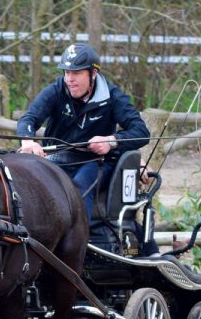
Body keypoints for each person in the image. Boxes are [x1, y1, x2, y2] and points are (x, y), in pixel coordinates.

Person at [15, 42, 150, 220]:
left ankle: (79, 243)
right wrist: (28, 141)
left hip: (95, 162)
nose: (69, 79)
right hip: (57, 158)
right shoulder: (57, 90)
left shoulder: (113, 96)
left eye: (76, 73)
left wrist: (111, 141)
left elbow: (141, 131)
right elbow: (28, 119)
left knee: (79, 187)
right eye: (66, 72)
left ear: (93, 73)